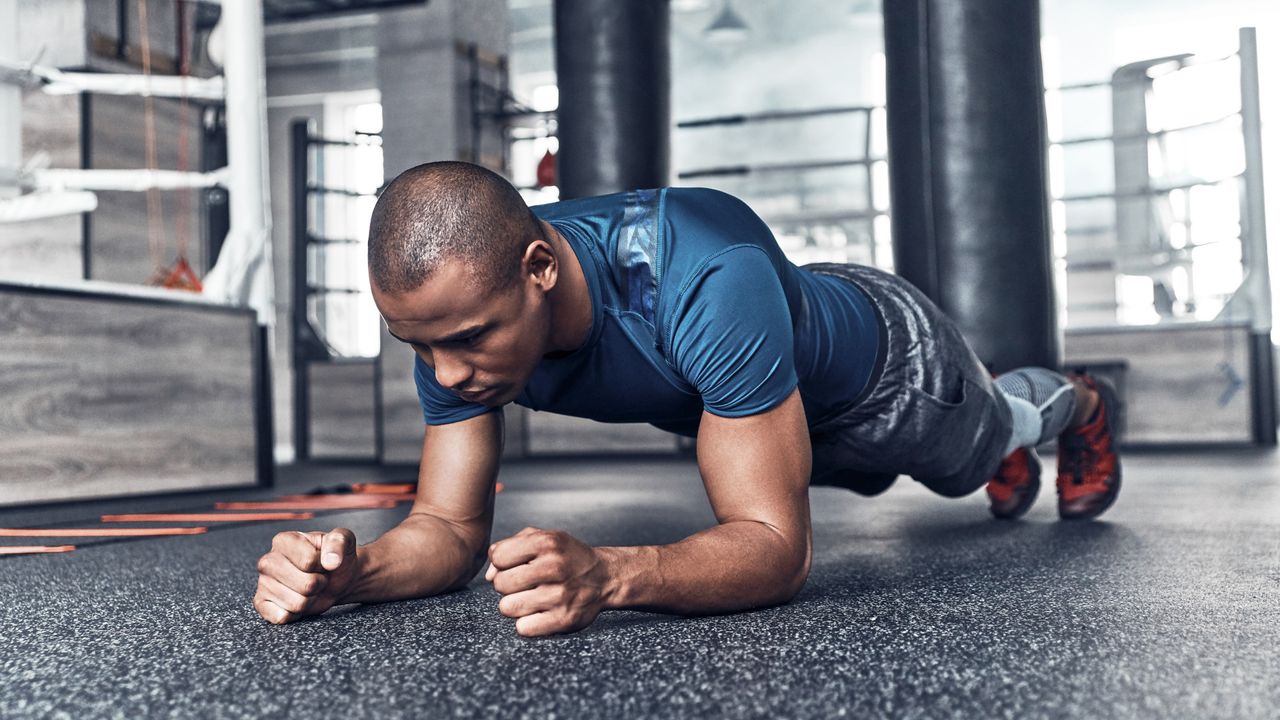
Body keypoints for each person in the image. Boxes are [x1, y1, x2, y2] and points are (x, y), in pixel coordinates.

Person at [252, 161, 1122, 636]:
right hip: (761, 395)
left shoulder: (697, 272)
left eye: (468, 338)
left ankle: (1075, 401)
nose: (444, 375)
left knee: (983, 446)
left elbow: (776, 550)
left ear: (540, 271)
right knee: (851, 471)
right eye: (418, 345)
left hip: (891, 376)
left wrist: (612, 574)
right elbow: (446, 529)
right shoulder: (458, 323)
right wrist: (354, 575)